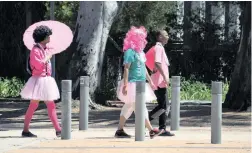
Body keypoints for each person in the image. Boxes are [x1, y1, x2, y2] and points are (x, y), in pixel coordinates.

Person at [115, 26, 163, 139]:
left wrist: (150, 81)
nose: (142, 39)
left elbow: (143, 68)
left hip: (141, 83)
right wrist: (125, 85)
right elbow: (126, 68)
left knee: (130, 107)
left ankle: (120, 130)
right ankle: (151, 130)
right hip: (132, 83)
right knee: (139, 106)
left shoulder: (140, 52)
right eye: (140, 37)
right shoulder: (130, 52)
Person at [20, 25, 61, 137]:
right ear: (43, 37)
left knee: (46, 105)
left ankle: (57, 129)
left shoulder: (44, 49)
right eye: (48, 36)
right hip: (39, 81)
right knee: (37, 105)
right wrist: (47, 57)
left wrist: (48, 54)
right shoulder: (35, 50)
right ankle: (57, 130)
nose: (50, 38)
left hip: (45, 80)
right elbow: (37, 65)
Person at [148, 30, 175, 136]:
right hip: (159, 81)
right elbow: (157, 63)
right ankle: (145, 120)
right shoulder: (159, 48)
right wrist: (165, 77)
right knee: (163, 105)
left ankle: (162, 128)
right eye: (166, 35)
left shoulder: (158, 47)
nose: (168, 37)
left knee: (164, 105)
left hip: (159, 80)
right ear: (159, 37)